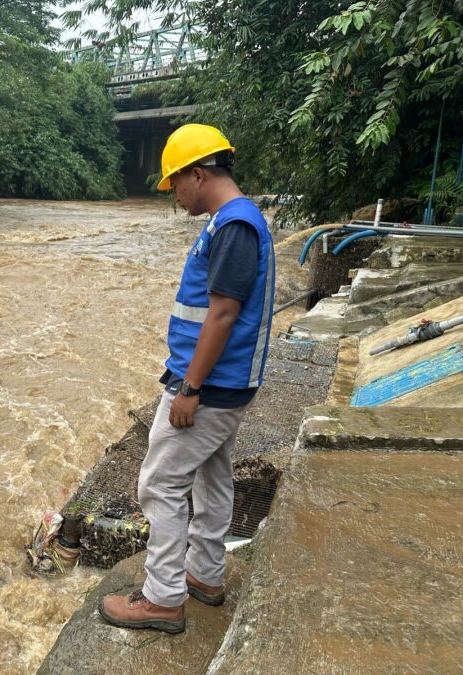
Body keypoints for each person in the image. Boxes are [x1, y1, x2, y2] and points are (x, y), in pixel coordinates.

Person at [98, 124, 276, 634]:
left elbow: (222, 314)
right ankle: (205, 575)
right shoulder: (234, 221)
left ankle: (162, 599)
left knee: (160, 482)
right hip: (225, 384)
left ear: (198, 174)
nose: (174, 196)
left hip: (210, 386)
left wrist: (190, 389)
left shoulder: (235, 226)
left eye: (175, 183)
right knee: (211, 473)